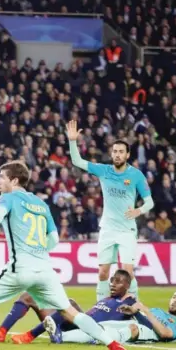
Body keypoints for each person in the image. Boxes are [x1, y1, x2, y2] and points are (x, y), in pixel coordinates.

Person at [0, 161, 135, 350]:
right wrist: (38, 250)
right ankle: (113, 345)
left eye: (2, 177)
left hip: (21, 267)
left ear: (14, 180)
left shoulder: (7, 197)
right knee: (70, 312)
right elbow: (54, 239)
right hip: (45, 269)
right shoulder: (41, 204)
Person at [67, 120, 154, 300]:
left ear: (127, 154)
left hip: (127, 230)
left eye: (121, 152)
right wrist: (72, 141)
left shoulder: (136, 175)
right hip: (107, 228)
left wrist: (138, 211)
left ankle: (134, 307)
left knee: (127, 272)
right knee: (103, 273)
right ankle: (102, 309)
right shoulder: (104, 170)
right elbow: (76, 161)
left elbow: (150, 202)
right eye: (115, 151)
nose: (117, 154)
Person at [10, 270, 152, 344]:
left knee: (69, 304)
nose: (113, 284)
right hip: (77, 323)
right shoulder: (109, 298)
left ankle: (30, 335)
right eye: (112, 280)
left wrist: (138, 311)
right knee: (33, 297)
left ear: (127, 285)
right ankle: (52, 329)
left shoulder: (130, 302)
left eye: (118, 282)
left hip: (87, 330)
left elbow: (147, 326)